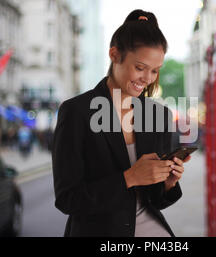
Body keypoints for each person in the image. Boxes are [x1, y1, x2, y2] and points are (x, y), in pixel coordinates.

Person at [52, 9, 191, 237]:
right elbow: (68, 199)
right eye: (140, 68)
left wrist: (168, 183)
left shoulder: (159, 115)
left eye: (155, 71)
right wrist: (129, 178)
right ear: (114, 55)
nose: (147, 79)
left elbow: (155, 201)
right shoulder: (76, 112)